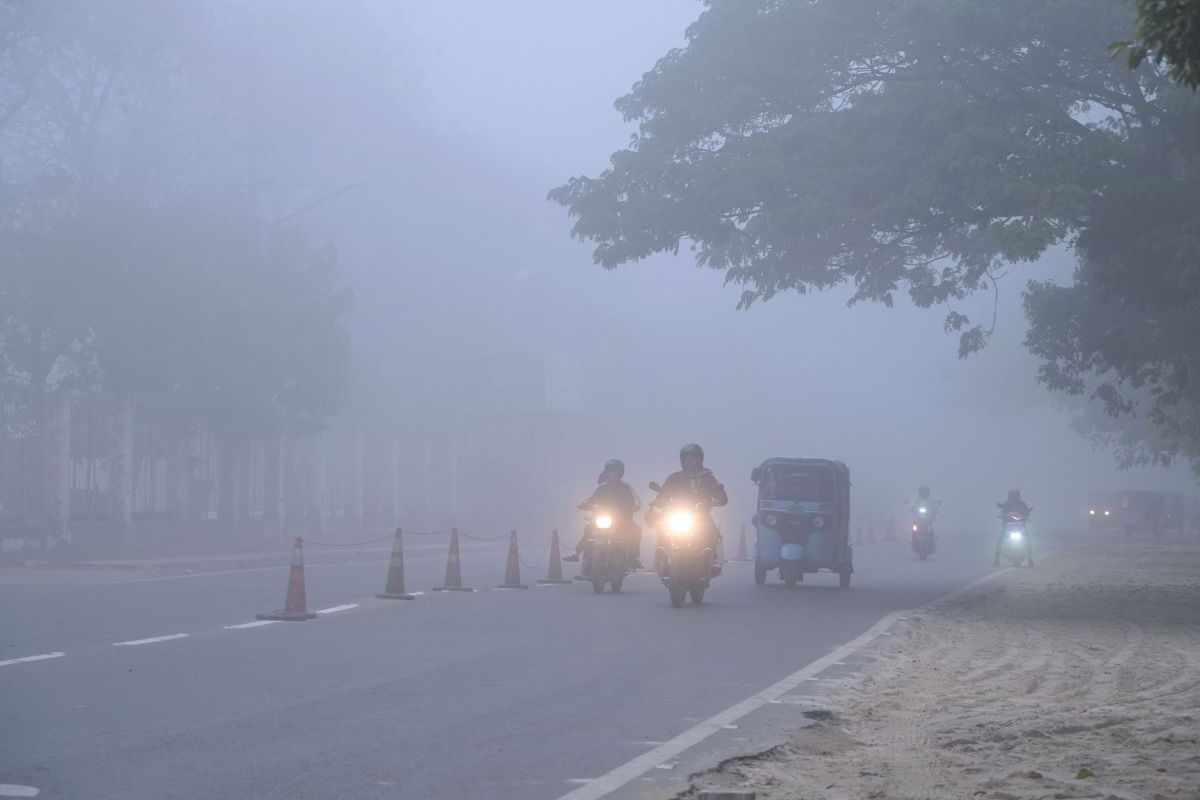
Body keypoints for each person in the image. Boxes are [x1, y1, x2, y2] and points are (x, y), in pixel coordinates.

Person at [648, 444, 728, 572]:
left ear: (699, 460)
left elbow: (720, 497)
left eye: (692, 458)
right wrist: (658, 503)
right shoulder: (674, 478)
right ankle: (662, 555)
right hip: (676, 515)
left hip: (700, 517)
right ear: (682, 460)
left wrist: (717, 496)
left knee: (711, 529)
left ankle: (711, 560)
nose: (689, 462)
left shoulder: (707, 477)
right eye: (686, 459)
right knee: (662, 527)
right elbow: (662, 494)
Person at [565, 459, 642, 568]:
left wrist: (632, 507)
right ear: (607, 473)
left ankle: (634, 558)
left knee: (636, 530)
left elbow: (637, 502)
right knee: (589, 529)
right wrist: (585, 505)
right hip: (602, 519)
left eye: (616, 471)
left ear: (621, 473)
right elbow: (591, 500)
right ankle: (575, 553)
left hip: (622, 521)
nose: (614, 474)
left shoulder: (626, 488)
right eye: (611, 471)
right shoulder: (601, 488)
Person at [994, 489, 1032, 567]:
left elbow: (1026, 512)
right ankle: (997, 558)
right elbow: (1003, 512)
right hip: (1008, 525)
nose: (1014, 497)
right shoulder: (1006, 504)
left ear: (1018, 495)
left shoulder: (1022, 504)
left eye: (1015, 495)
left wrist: (1026, 514)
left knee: (1028, 540)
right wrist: (1003, 516)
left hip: (1020, 525)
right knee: (1000, 539)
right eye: (1012, 495)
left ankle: (1030, 558)